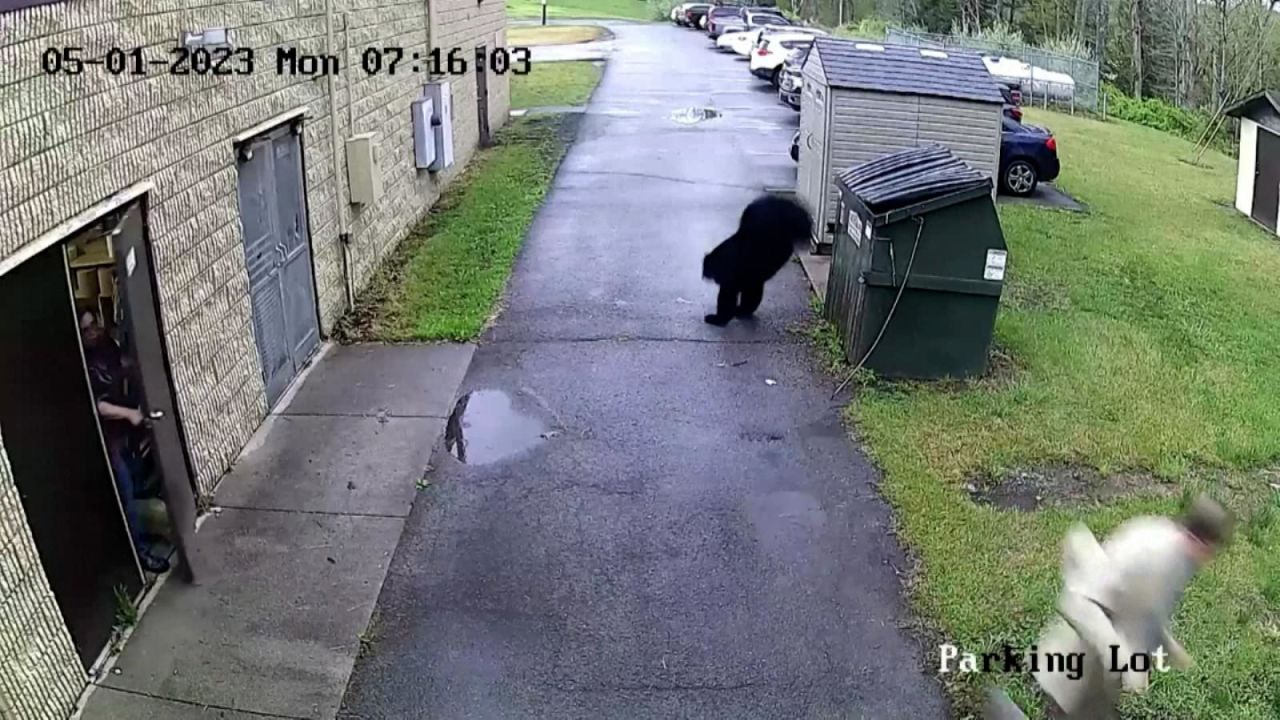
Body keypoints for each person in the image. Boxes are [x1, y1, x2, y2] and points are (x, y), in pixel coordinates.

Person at [985, 495, 1234, 720]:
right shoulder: (1146, 550)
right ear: (1198, 541)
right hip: (1082, 654)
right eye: (1210, 549)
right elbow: (1078, 602)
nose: (1210, 558)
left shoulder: (1181, 560)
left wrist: (1166, 645)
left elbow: (1149, 607)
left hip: (1104, 671)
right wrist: (1122, 659)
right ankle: (988, 703)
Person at [80, 310, 170, 574]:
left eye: (95, 323)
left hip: (125, 433)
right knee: (126, 495)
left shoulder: (107, 345)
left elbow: (122, 366)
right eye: (87, 329)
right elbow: (98, 405)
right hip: (109, 440)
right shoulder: (86, 364)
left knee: (140, 473)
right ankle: (140, 554)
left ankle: (151, 523)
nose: (93, 331)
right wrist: (130, 414)